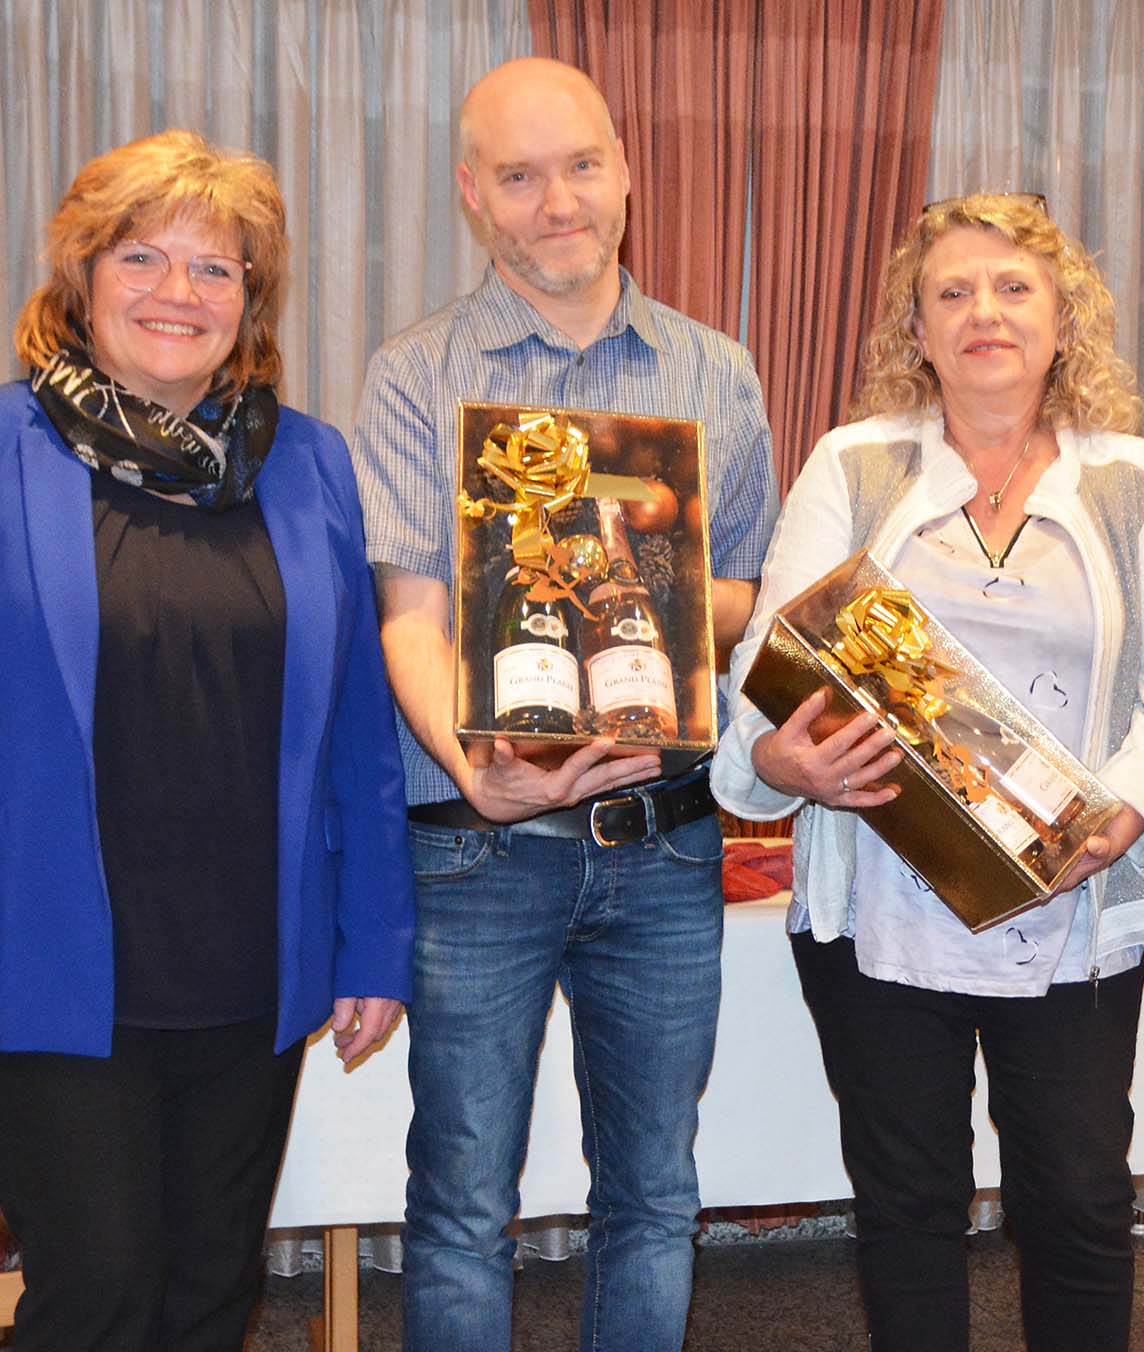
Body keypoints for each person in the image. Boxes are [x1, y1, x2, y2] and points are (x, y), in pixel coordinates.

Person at [712, 193, 1144, 1352]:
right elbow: (767, 669)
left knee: (1078, 1202)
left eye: (1012, 287)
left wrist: (1125, 810)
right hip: (878, 910)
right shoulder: (851, 467)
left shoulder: (1139, 482)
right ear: (917, 329)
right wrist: (778, 762)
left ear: (1062, 320)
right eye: (952, 291)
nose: (983, 311)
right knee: (907, 1204)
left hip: (1073, 900)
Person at [348, 57, 777, 1351]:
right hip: (477, 846)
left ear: (624, 170)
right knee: (462, 1204)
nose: (558, 201)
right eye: (520, 176)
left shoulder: (716, 371)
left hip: (665, 842)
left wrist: (645, 584)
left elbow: (752, 590)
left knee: (654, 1196)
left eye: (581, 165)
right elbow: (410, 617)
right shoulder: (415, 373)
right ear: (473, 194)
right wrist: (474, 771)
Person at [0, 129, 414, 1351]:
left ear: (249, 298)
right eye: (142, 256)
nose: (177, 291)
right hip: (53, 958)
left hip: (250, 957)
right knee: (96, 1294)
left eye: (215, 267)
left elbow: (359, 732)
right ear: (83, 277)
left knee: (210, 1292)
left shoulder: (310, 462)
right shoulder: (8, 452)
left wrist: (374, 942)